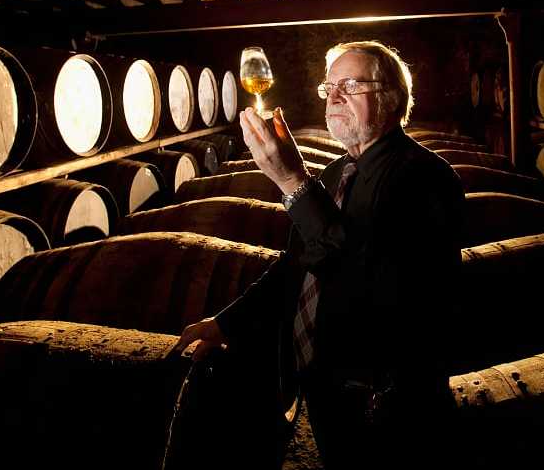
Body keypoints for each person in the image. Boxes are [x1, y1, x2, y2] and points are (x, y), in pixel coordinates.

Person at [173, 41, 464, 468]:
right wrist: (227, 322)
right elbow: (300, 265)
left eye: (351, 84)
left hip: (383, 405)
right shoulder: (336, 172)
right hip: (323, 386)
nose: (335, 96)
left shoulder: (425, 178)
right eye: (330, 87)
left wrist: (292, 180)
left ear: (393, 97)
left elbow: (366, 282)